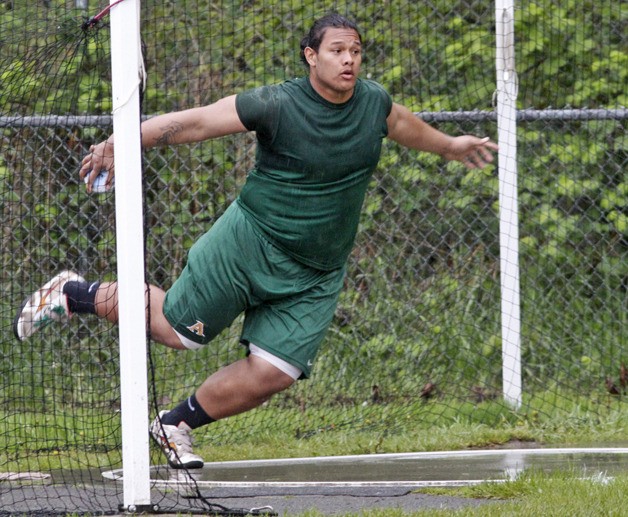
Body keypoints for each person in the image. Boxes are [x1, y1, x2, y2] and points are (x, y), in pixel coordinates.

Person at [13, 13, 498, 469]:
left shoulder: (373, 102)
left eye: (356, 51)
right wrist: (125, 138)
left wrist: (453, 146)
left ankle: (174, 423)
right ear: (311, 56)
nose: (349, 59)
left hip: (317, 271)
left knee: (275, 372)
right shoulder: (277, 103)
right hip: (249, 244)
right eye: (337, 50)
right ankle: (72, 293)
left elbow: (403, 126)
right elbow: (200, 121)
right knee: (176, 333)